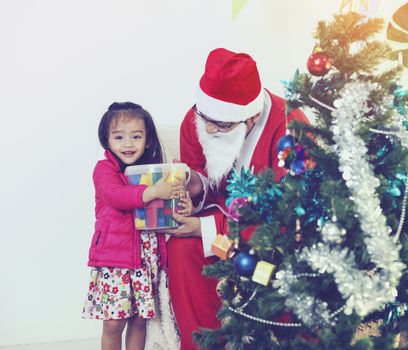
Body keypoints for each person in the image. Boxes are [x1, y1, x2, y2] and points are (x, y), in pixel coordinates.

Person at [163, 48, 309, 350]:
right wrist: (193, 186)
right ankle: (203, 343)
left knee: (285, 269)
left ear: (252, 117)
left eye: (224, 125)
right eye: (206, 119)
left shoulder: (290, 125)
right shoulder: (196, 120)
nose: (211, 129)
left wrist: (204, 227)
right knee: (181, 248)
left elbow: (290, 209)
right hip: (223, 238)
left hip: (269, 240)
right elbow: (201, 175)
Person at [82, 102, 192, 350]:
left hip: (146, 258)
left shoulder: (154, 171)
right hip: (115, 260)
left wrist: (181, 199)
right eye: (119, 137)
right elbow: (116, 196)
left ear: (147, 139)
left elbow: (167, 208)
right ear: (106, 139)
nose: (128, 144)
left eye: (136, 136)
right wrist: (153, 191)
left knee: (140, 320)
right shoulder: (104, 169)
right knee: (113, 323)